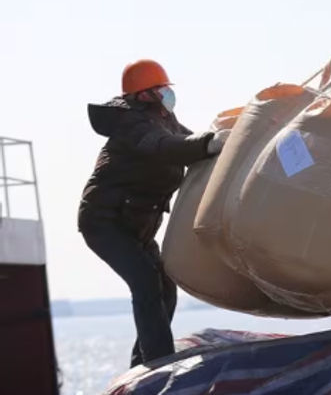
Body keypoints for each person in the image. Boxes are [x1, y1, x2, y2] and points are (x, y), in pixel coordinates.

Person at [78, 60, 227, 367]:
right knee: (145, 281)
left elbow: (187, 140)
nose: (168, 95)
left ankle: (141, 364)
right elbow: (166, 147)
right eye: (162, 90)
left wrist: (224, 138)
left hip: (137, 227)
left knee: (165, 287)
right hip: (105, 223)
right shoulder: (131, 126)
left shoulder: (163, 118)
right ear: (145, 95)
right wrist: (208, 144)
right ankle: (159, 365)